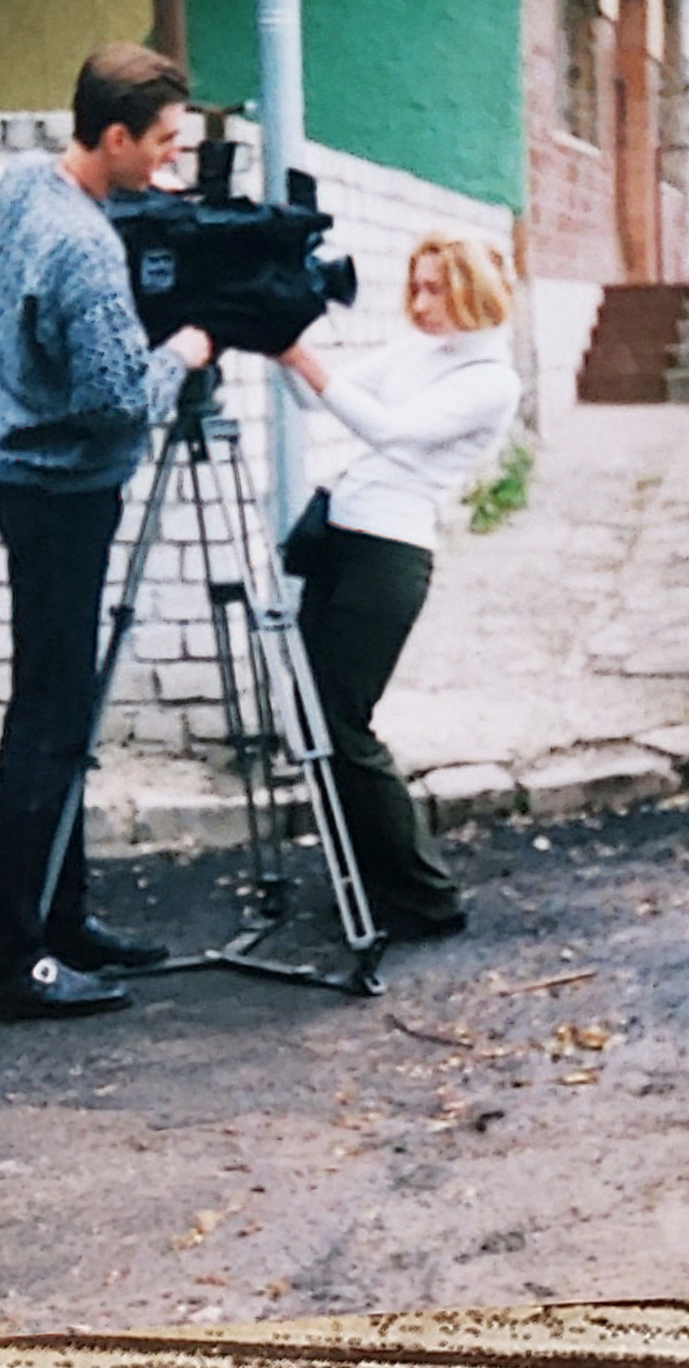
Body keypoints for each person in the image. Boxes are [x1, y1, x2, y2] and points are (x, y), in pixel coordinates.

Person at [0, 43, 215, 1023]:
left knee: (55, 716)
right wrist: (186, 349)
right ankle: (7, 960)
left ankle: (60, 921)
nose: (171, 165)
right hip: (65, 493)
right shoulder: (83, 247)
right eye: (160, 147)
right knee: (49, 725)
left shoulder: (30, 183)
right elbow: (117, 402)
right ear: (113, 136)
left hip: (29, 480)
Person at [273, 236, 522, 943]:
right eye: (416, 287)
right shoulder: (422, 352)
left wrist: (301, 356)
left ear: (476, 289)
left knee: (344, 723)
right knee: (313, 717)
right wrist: (284, 334)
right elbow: (315, 394)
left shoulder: (491, 380)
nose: (421, 304)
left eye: (438, 289)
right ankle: (372, 883)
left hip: (390, 554)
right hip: (344, 542)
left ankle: (427, 896)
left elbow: (388, 429)